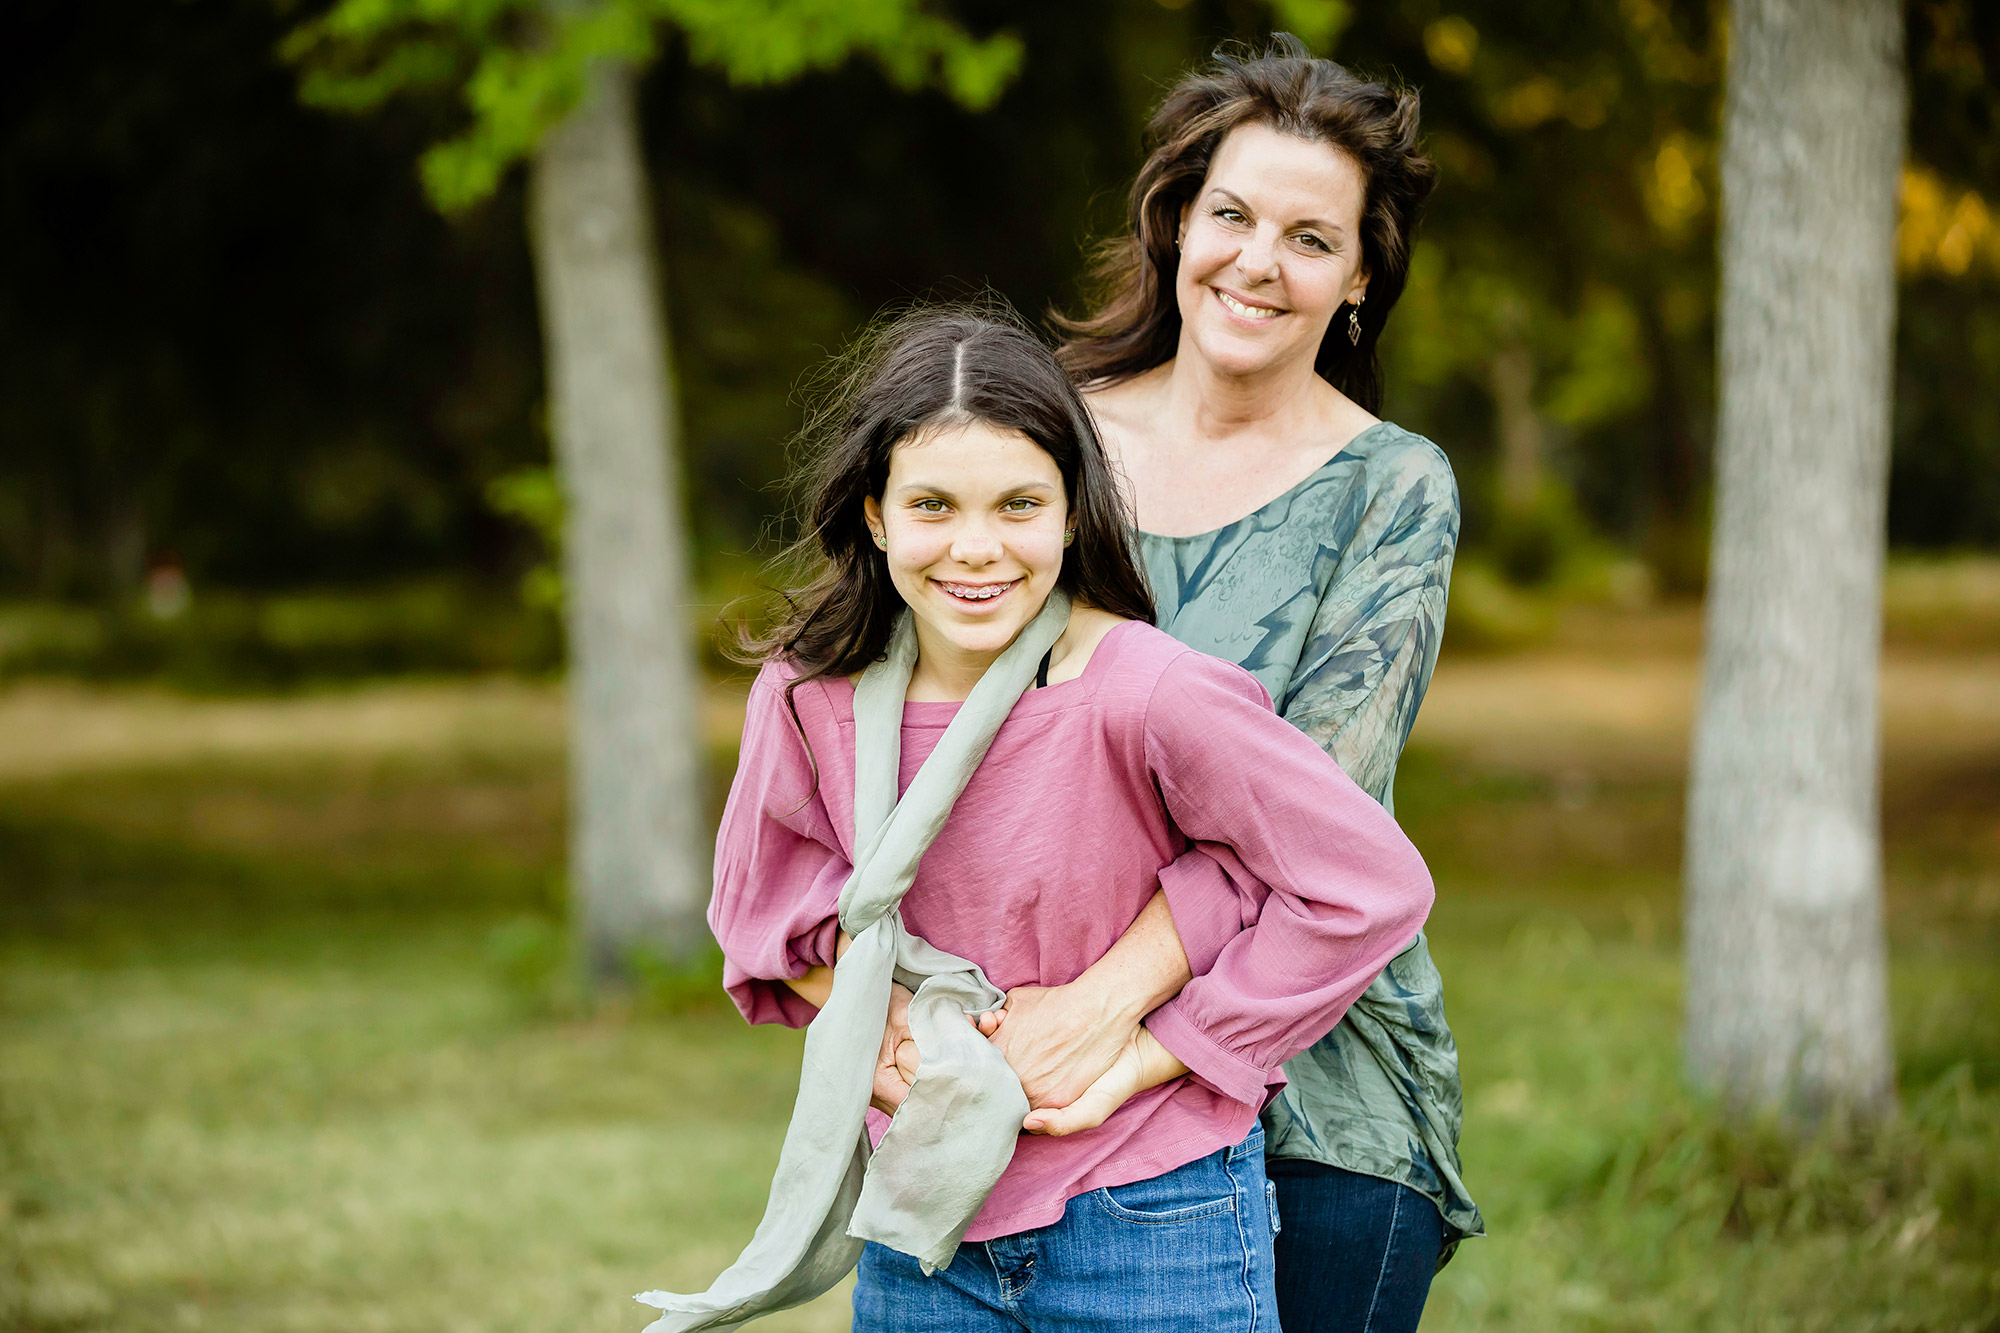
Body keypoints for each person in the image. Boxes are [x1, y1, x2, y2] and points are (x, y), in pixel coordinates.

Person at [693, 307, 1436, 1333]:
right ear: (873, 513)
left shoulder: (1146, 690)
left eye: (1017, 504)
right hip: (923, 1223)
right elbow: (758, 910)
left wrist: (1145, 1053)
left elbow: (1367, 885)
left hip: (1148, 1214)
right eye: (932, 505)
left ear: (1070, 511)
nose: (975, 547)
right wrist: (880, 1033)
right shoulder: (805, 696)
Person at [980, 37, 1486, 1333]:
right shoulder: (1052, 437)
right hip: (1036, 1067)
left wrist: (1101, 1010)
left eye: (1310, 238)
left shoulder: (1391, 488)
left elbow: (1312, 809)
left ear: (1361, 276)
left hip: (1308, 1076)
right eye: (1233, 216)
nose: (1259, 261)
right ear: (1176, 225)